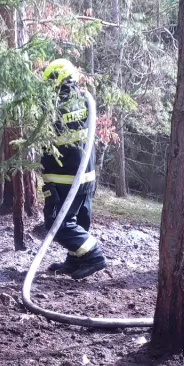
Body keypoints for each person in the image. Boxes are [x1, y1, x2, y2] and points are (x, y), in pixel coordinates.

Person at [40, 58, 107, 280]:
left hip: (64, 179)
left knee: (56, 224)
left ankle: (94, 255)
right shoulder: (85, 100)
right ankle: (75, 259)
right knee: (79, 221)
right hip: (85, 176)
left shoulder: (52, 106)